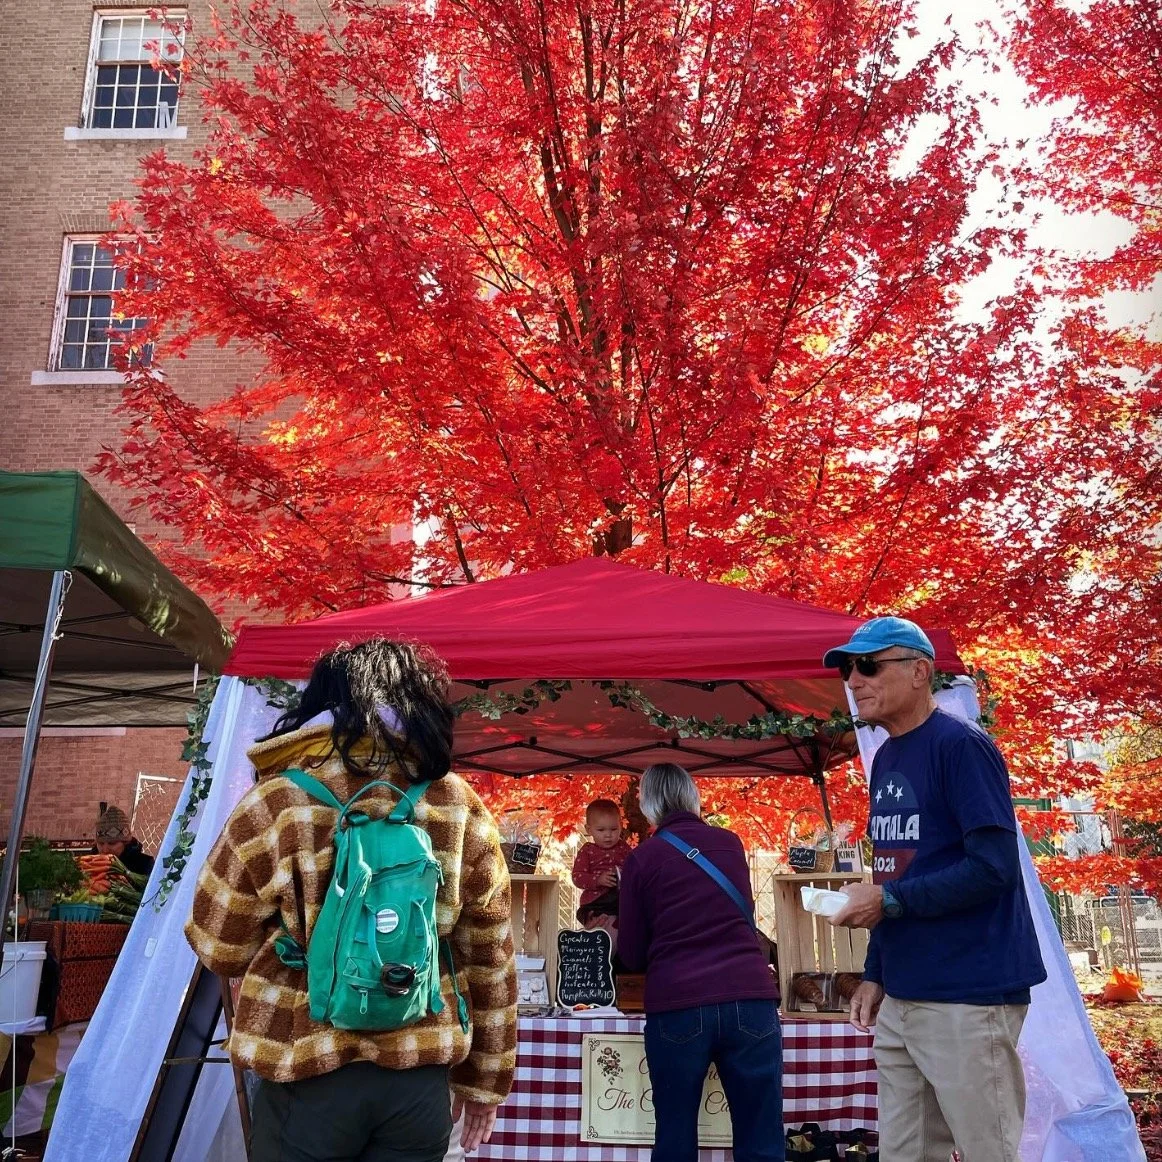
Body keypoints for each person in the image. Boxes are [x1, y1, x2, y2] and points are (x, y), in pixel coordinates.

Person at [185, 638, 518, 1162]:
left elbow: (217, 944)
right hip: (418, 1079)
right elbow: (490, 955)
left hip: (308, 1072)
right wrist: (484, 1086)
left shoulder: (277, 801)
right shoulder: (457, 803)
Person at [823, 616, 1046, 1162]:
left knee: (987, 1150)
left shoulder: (961, 746)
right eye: (850, 668)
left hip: (968, 993)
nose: (854, 680)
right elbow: (894, 873)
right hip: (903, 994)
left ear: (921, 671)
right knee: (905, 1153)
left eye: (869, 665)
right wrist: (877, 972)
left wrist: (889, 901)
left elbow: (993, 868)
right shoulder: (888, 758)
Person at [618, 763, 783, 1162]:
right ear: (693, 796)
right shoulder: (730, 843)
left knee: (675, 1135)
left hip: (679, 1003)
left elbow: (632, 953)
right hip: (750, 997)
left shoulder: (643, 859)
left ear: (648, 804)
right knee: (761, 1136)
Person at [571, 798, 631, 935]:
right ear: (588, 829)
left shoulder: (624, 848)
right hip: (595, 902)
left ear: (621, 826)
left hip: (619, 900)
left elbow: (635, 868)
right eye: (601, 830)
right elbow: (577, 877)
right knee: (590, 919)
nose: (608, 835)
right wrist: (597, 880)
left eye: (614, 829)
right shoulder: (587, 850)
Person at [93, 806, 154, 876]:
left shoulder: (145, 865)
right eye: (101, 843)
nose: (105, 850)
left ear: (126, 843)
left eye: (112, 843)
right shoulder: (87, 864)